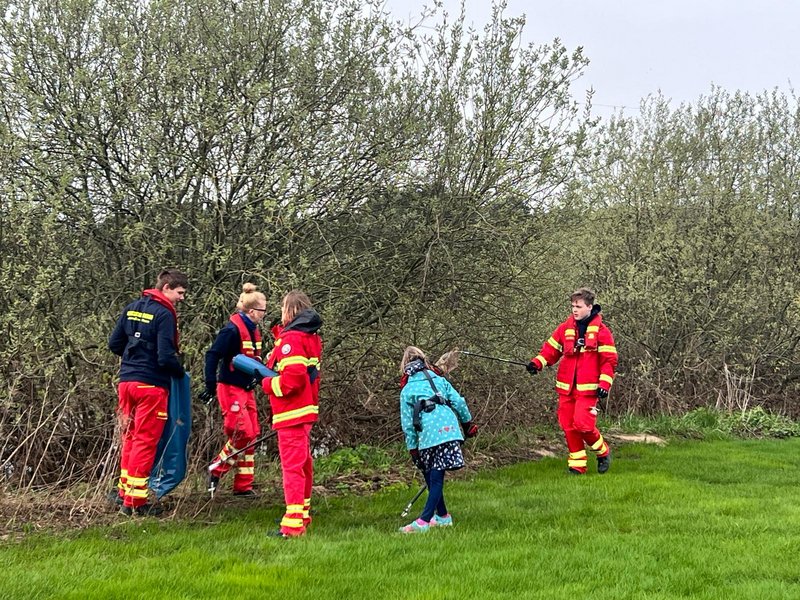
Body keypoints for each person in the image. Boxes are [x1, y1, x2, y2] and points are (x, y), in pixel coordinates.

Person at [108, 268, 188, 516]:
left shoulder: (132, 307)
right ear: (166, 288)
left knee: (130, 438)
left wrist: (134, 359)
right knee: (145, 441)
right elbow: (165, 356)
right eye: (180, 292)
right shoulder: (164, 313)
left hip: (126, 383)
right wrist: (179, 372)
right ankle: (135, 503)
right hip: (150, 386)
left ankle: (125, 492)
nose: (182, 298)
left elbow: (114, 344)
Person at [526, 287, 618, 475]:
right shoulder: (564, 328)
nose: (574, 310)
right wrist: (537, 363)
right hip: (566, 388)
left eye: (578, 306)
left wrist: (604, 384)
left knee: (583, 425)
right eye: (572, 306)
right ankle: (577, 465)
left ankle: (602, 451)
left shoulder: (602, 332)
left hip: (589, 389)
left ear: (590, 307)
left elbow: (609, 361)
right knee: (568, 426)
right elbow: (550, 350)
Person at [258, 290, 323, 537]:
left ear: (289, 311)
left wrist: (266, 384)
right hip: (305, 410)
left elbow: (292, 380)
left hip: (291, 411)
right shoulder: (310, 337)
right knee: (303, 465)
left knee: (292, 469)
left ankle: (292, 525)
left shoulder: (292, 339)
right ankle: (302, 514)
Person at [398, 346, 478, 534]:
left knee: (434, 476)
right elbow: (459, 402)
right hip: (450, 430)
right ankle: (442, 516)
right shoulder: (439, 380)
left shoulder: (408, 389)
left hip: (429, 434)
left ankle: (424, 521)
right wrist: (467, 424)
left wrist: (413, 449)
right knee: (432, 475)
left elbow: (408, 424)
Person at [201, 283, 268, 497]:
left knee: (253, 434)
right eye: (263, 310)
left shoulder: (252, 330)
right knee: (242, 432)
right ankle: (216, 469)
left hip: (246, 388)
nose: (264, 314)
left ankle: (243, 485)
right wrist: (210, 384)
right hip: (230, 388)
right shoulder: (231, 330)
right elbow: (212, 355)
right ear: (251, 311)